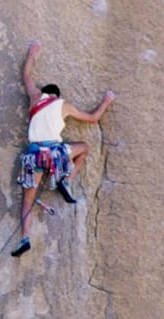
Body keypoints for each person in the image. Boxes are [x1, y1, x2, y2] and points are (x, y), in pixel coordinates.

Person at [11, 41, 116, 257]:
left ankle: (24, 238)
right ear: (57, 96)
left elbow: (26, 76)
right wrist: (106, 101)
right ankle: (66, 180)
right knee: (84, 148)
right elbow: (93, 118)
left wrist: (32, 53)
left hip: (33, 156)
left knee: (27, 201)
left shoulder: (35, 98)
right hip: (55, 155)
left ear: (44, 94)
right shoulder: (63, 106)